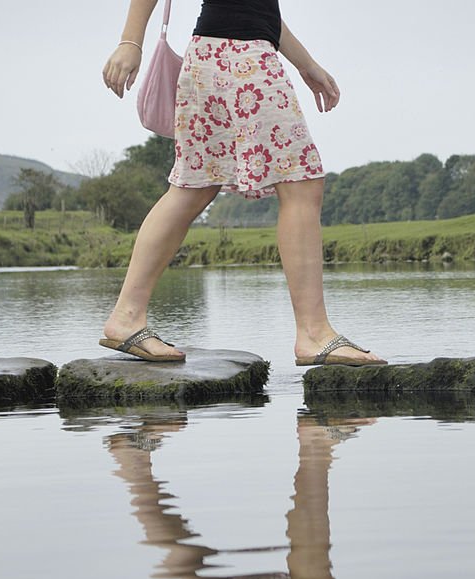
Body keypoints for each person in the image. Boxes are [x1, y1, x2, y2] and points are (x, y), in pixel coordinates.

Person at [99, 0, 385, 366]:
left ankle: (126, 317)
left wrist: (305, 64)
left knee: (192, 187)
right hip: (241, 59)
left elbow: (255, 7)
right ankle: (313, 333)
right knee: (300, 181)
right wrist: (129, 42)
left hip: (215, 56)